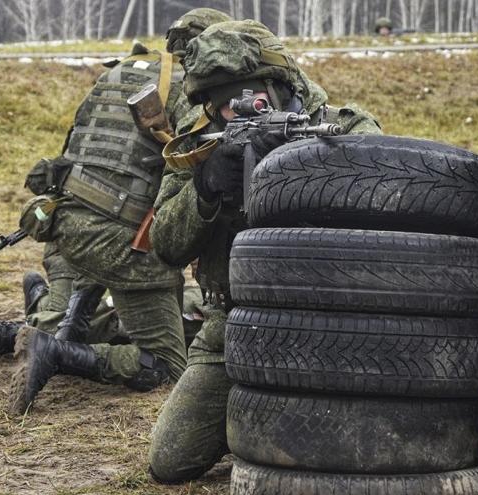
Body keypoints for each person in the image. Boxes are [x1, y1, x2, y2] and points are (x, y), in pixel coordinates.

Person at [146, 19, 382, 483]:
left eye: (248, 99)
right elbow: (164, 247)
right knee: (171, 460)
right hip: (232, 321)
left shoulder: (340, 128)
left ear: (278, 88)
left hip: (327, 320)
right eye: (222, 108)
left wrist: (305, 165)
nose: (237, 114)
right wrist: (207, 188)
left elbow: (388, 201)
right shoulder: (201, 149)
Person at [6, 8, 233, 416]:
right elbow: (193, 181)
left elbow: (71, 150)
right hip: (120, 242)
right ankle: (56, 353)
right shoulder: (190, 90)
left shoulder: (119, 72)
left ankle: (66, 328)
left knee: (106, 290)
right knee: (168, 364)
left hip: (65, 222)